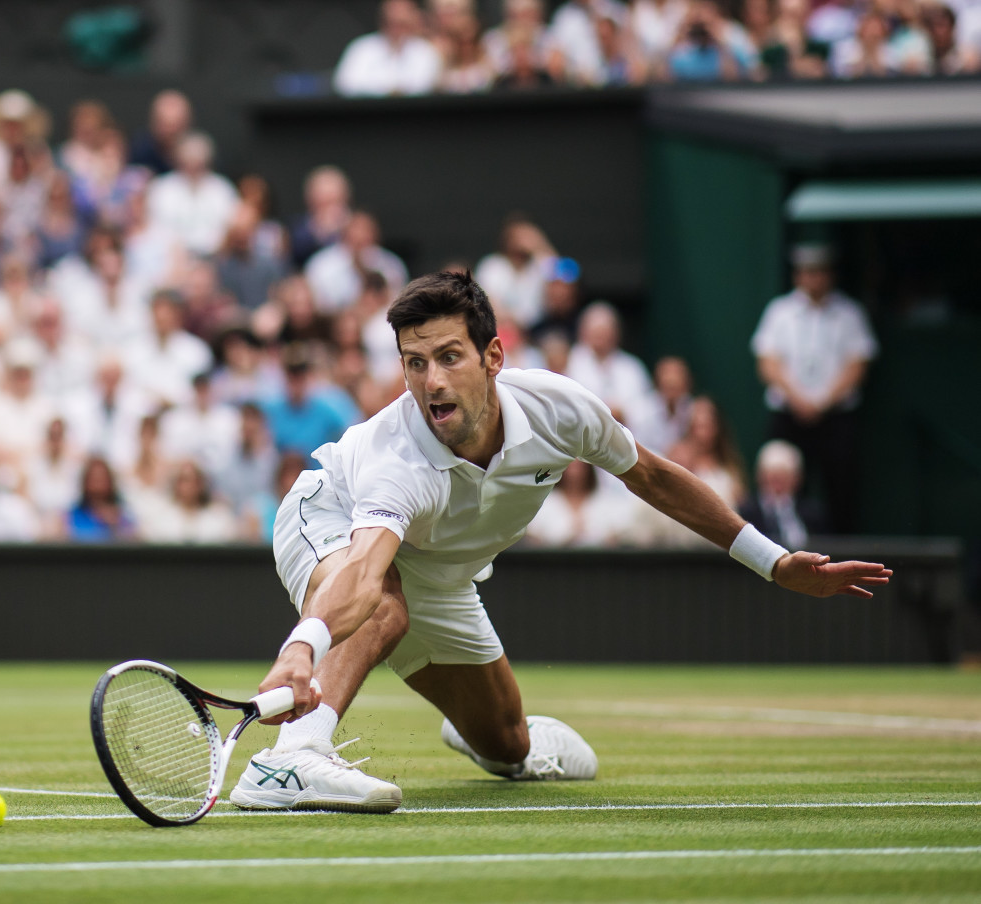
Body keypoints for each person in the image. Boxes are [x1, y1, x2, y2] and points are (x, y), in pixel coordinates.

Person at [234, 272, 891, 813]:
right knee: (383, 604)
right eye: (414, 362)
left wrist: (773, 562)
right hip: (328, 514)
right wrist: (303, 647)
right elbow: (365, 573)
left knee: (510, 749)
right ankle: (290, 759)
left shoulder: (561, 411)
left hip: (438, 567)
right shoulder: (394, 460)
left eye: (449, 356)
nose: (431, 380)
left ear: (493, 357)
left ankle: (481, 735)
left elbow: (656, 478)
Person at [751, 245, 876, 532]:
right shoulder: (779, 312)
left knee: (841, 486)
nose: (814, 279)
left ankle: (841, 551)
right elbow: (767, 362)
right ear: (798, 276)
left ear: (830, 276)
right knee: (782, 482)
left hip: (835, 417)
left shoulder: (849, 314)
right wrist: (799, 400)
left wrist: (822, 403)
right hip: (788, 415)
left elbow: (857, 365)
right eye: (808, 272)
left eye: (820, 272)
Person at [332, 0, 441, 97]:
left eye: (402, 24)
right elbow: (345, 84)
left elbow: (426, 86)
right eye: (391, 23)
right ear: (382, 22)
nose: (397, 30)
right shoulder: (362, 47)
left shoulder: (425, 50)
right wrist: (387, 91)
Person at [738, 439, 827, 550]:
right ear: (759, 477)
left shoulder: (813, 513)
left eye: (783, 477)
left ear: (797, 479)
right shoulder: (746, 512)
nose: (777, 485)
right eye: (773, 478)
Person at [67, 455, 135, 542]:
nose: (97, 486)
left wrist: (115, 525)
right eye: (93, 480)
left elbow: (133, 539)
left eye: (102, 479)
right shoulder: (71, 517)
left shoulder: (122, 516)